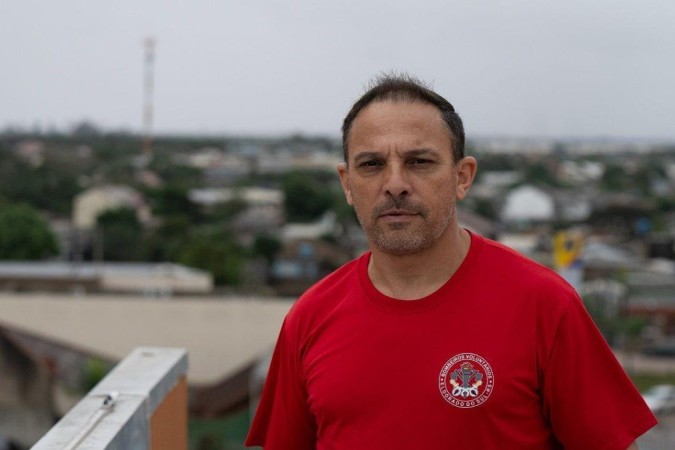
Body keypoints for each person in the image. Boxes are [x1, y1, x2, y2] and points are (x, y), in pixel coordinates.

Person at [246, 74, 657, 449]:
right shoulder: (310, 317)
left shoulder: (544, 304)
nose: (394, 185)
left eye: (419, 162)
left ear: (463, 177)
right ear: (347, 184)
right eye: (371, 165)